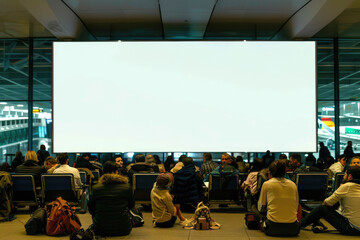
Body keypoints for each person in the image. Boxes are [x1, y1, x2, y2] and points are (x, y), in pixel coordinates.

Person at [300, 166, 360, 235]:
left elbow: (327, 202)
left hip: (352, 229)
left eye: (345, 175)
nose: (343, 177)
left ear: (350, 177)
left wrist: (339, 189)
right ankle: (316, 222)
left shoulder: (347, 186)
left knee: (322, 208)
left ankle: (301, 224)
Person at [88, 161, 134, 236]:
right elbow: (131, 205)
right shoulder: (127, 187)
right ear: (114, 172)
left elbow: (91, 208)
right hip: (123, 228)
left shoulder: (96, 188)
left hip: (100, 229)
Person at [256, 160, 300, 236]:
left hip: (272, 228)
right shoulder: (293, 185)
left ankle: (262, 224)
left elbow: (261, 207)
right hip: (293, 229)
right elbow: (296, 207)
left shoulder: (267, 184)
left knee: (254, 208)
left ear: (270, 172)